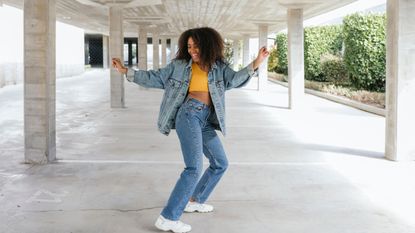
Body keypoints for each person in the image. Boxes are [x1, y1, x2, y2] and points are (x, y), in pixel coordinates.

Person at [112, 27, 269, 233]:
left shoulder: (219, 67)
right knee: (193, 168)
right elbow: (155, 77)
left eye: (196, 46)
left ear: (208, 45)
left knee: (220, 163)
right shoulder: (179, 66)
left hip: (206, 119)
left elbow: (234, 80)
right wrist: (126, 71)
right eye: (189, 46)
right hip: (188, 115)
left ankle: (194, 200)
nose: (192, 50)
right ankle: (168, 217)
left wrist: (257, 63)